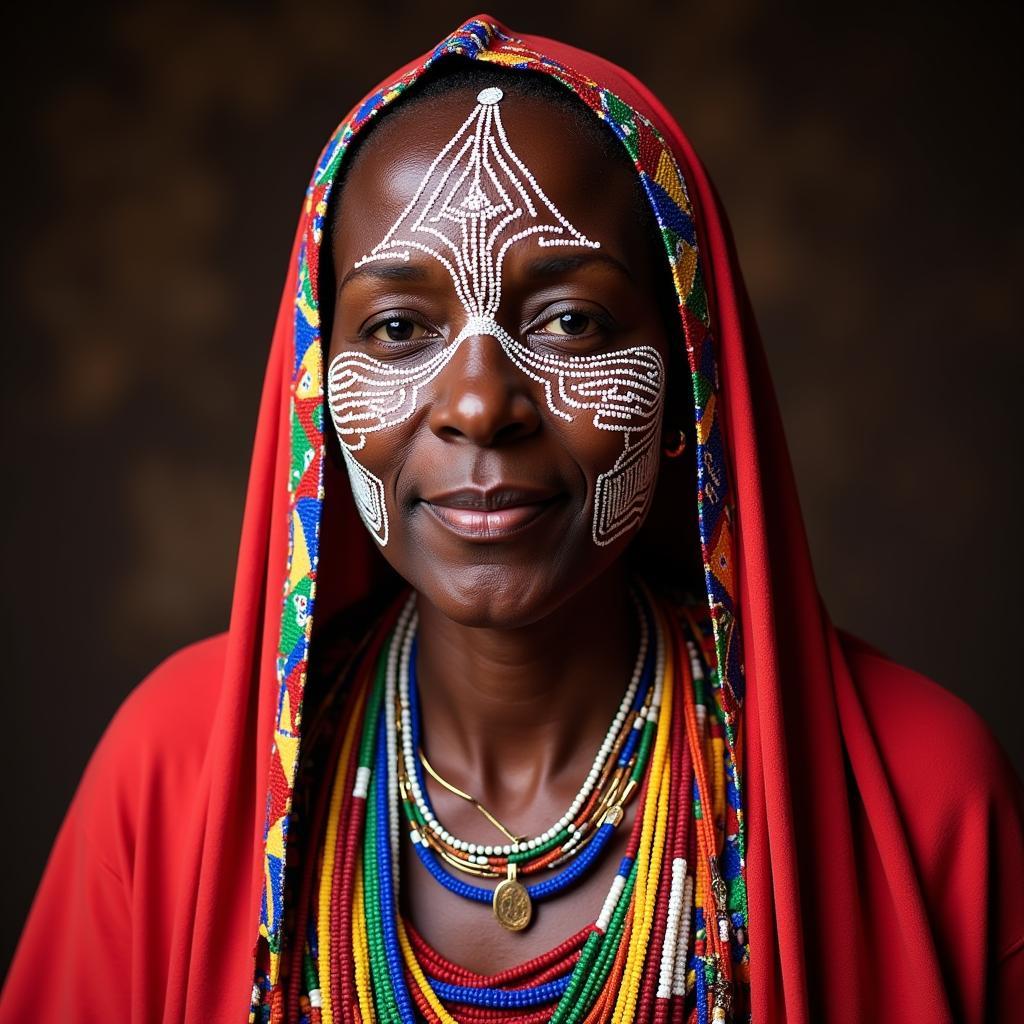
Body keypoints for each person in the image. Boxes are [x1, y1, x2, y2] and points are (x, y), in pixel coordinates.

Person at [2, 14, 1021, 1024]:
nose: (481, 401)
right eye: (399, 328)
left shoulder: (919, 791)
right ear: (319, 389)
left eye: (570, 320)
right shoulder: (173, 771)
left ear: (686, 381)